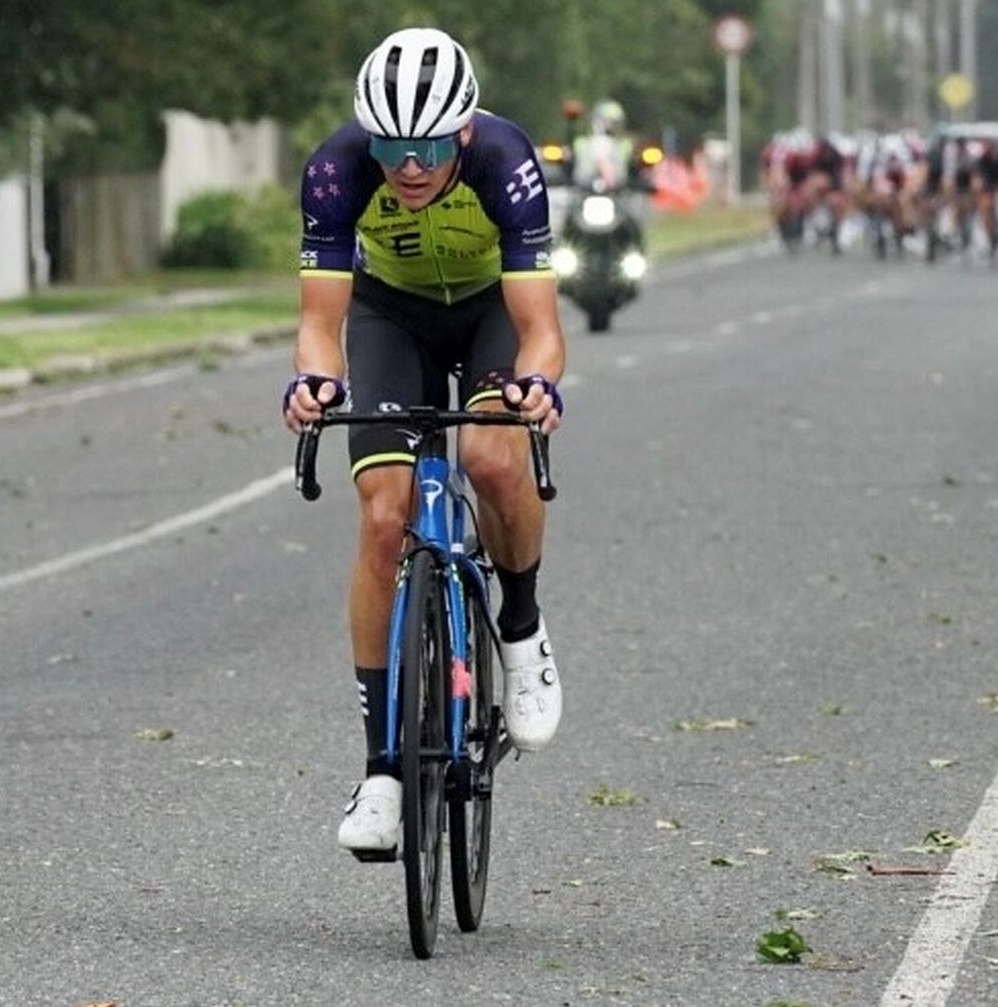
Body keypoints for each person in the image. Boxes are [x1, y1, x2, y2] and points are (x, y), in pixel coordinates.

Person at [282, 27, 566, 855]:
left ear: (465, 133)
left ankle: (520, 626)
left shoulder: (507, 162)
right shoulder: (336, 169)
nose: (409, 165)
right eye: (393, 146)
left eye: (431, 146)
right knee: (382, 516)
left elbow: (540, 328)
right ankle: (381, 771)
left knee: (487, 454)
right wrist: (314, 382)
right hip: (389, 317)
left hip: (487, 314)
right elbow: (318, 323)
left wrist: (538, 386)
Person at [570, 98, 635, 191]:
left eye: (615, 123)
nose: (611, 126)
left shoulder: (624, 144)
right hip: (587, 187)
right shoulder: (590, 142)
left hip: (616, 190)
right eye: (609, 122)